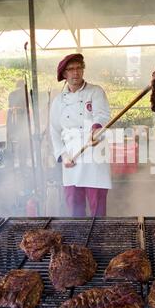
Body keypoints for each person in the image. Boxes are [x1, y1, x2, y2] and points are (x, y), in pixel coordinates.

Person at [50, 53, 111, 217]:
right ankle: (78, 238)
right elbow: (54, 131)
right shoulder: (58, 101)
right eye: (71, 69)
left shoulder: (96, 92)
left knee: (97, 206)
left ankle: (98, 238)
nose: (75, 72)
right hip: (72, 158)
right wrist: (63, 155)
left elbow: (102, 115)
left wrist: (96, 129)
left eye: (79, 68)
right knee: (74, 207)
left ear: (83, 70)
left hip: (93, 153)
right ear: (64, 74)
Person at [6, 79, 29, 170]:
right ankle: (22, 164)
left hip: (13, 121)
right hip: (20, 121)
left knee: (14, 143)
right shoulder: (24, 94)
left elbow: (10, 107)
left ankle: (13, 165)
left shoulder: (12, 94)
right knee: (23, 144)